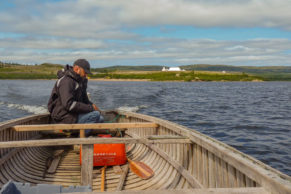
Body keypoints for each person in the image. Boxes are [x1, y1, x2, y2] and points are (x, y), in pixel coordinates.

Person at [47, 59, 103, 136]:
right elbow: (69, 105)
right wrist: (91, 108)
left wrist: (93, 105)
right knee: (95, 115)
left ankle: (79, 134)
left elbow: (85, 100)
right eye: (85, 72)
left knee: (101, 118)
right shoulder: (66, 81)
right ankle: (79, 140)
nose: (86, 75)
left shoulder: (80, 81)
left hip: (73, 115)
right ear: (77, 69)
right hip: (63, 118)